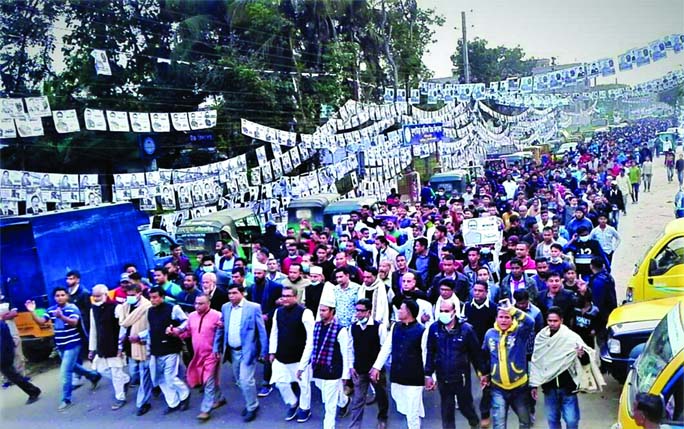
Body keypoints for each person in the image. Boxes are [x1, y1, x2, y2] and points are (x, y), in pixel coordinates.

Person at [25, 288, 102, 411]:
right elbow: (41, 322)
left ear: (67, 296)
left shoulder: (72, 308)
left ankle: (66, 399)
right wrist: (32, 312)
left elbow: (74, 323)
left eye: (62, 295)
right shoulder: (51, 309)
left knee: (65, 372)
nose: (59, 297)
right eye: (57, 295)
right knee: (74, 366)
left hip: (73, 343)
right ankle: (93, 376)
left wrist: (61, 316)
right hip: (61, 345)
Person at [424, 299, 486, 429]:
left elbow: (476, 354)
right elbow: (430, 351)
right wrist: (428, 374)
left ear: (454, 312)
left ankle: (474, 422)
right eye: (441, 311)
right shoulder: (434, 328)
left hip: (461, 377)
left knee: (465, 406)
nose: (443, 313)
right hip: (443, 376)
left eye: (446, 311)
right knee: (447, 410)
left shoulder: (466, 330)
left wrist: (483, 373)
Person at [529, 307, 592, 429]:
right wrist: (534, 384)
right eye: (550, 321)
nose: (552, 324)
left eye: (555, 321)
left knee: (572, 421)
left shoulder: (571, 338)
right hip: (549, 388)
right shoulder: (541, 339)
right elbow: (536, 362)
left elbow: (586, 362)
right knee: (553, 421)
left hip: (568, 388)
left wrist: (581, 354)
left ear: (561, 321)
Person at [213, 283, 268, 422]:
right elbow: (221, 328)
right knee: (240, 381)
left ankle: (252, 407)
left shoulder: (253, 308)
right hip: (232, 352)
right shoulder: (225, 307)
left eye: (234, 293)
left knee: (245, 380)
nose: (231, 296)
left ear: (242, 293)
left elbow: (261, 331)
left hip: (247, 351)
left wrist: (264, 351)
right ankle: (251, 401)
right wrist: (216, 347)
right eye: (229, 293)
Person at [371, 299, 426, 429]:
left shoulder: (422, 331)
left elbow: (425, 355)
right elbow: (386, 348)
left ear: (409, 312)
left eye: (401, 309)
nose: (398, 311)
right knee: (405, 407)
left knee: (412, 411)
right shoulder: (396, 327)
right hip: (397, 375)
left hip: (415, 377)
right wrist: (376, 367)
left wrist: (429, 376)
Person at [169, 294, 224, 421]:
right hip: (198, 354)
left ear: (208, 303)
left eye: (201, 303)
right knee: (210, 379)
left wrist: (219, 350)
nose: (197, 306)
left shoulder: (217, 316)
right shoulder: (192, 316)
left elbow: (222, 334)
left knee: (208, 380)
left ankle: (205, 410)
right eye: (196, 303)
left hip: (212, 354)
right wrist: (176, 334)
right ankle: (220, 398)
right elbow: (188, 332)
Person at [482, 302, 535, 429]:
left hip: (519, 387)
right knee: (499, 425)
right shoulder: (489, 334)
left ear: (512, 318)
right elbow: (484, 355)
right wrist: (483, 374)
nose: (504, 320)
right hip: (498, 387)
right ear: (496, 318)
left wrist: (512, 310)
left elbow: (530, 322)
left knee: (525, 422)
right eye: (501, 317)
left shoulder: (520, 333)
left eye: (507, 317)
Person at [268, 286, 315, 423]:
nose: (286, 299)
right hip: (281, 356)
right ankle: (293, 403)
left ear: (296, 297)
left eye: (289, 296)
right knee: (280, 383)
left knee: (304, 385)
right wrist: (272, 351)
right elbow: (274, 332)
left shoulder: (305, 313)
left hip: (300, 357)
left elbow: (311, 338)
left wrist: (306, 359)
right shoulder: (278, 312)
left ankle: (305, 408)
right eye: (283, 296)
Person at [143, 286, 190, 415]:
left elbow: (186, 321)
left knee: (170, 377)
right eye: (150, 297)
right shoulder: (150, 312)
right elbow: (150, 330)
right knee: (159, 379)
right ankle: (173, 402)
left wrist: (178, 330)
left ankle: (185, 395)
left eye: (155, 297)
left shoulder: (173, 308)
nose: (152, 300)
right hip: (156, 349)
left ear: (162, 297)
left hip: (171, 348)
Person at [306, 296, 351, 429]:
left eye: (324, 310)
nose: (321, 313)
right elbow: (310, 346)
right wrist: (302, 367)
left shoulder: (340, 330)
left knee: (329, 404)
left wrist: (345, 376)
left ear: (332, 311)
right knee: (327, 393)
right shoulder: (317, 326)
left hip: (333, 370)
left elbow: (345, 353)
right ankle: (344, 401)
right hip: (318, 368)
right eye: (320, 310)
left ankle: (328, 426)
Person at [88, 284, 130, 410]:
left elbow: (123, 327)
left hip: (114, 346)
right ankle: (125, 379)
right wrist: (91, 349)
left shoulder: (116, 308)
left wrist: (121, 346)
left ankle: (120, 397)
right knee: (101, 370)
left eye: (98, 296)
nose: (95, 298)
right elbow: (93, 329)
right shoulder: (93, 309)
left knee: (116, 373)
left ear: (106, 294)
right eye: (94, 296)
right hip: (102, 346)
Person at [349, 298, 389, 429]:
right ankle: (355, 425)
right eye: (357, 311)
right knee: (358, 399)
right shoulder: (353, 327)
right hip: (359, 369)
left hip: (376, 370)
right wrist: (351, 366)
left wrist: (377, 367)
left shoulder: (379, 327)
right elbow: (350, 348)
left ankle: (382, 418)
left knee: (381, 395)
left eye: (362, 311)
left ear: (369, 312)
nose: (358, 314)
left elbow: (385, 348)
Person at [463, 281, 498, 428]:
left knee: (486, 382)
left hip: (486, 351)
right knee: (467, 384)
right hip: (469, 351)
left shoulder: (493, 308)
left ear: (486, 292)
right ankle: (471, 414)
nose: (477, 293)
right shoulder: (467, 306)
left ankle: (485, 414)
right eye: (475, 290)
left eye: (480, 291)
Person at [118, 282, 154, 416]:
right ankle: (145, 399)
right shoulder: (124, 307)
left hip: (144, 345)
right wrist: (120, 346)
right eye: (128, 295)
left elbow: (151, 327)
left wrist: (140, 336)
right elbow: (123, 326)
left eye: (132, 295)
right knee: (139, 374)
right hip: (131, 346)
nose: (130, 297)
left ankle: (143, 402)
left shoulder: (147, 307)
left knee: (150, 374)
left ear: (139, 294)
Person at [0, 318, 41, 404]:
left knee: (12, 375)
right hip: (5, 352)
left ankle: (33, 391)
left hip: (4, 354)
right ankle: (33, 390)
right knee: (12, 374)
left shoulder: (1, 324)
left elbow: (3, 342)